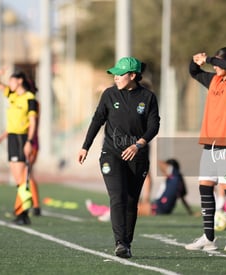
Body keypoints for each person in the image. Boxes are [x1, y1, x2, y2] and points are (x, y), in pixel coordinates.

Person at [77, 56, 160, 258]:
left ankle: (127, 243)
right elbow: (97, 120)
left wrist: (138, 144)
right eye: (114, 74)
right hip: (111, 154)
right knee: (118, 196)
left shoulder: (148, 97)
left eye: (120, 74)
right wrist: (85, 146)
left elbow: (154, 126)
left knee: (132, 201)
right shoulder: (109, 95)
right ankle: (120, 242)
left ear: (132, 75)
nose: (115, 77)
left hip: (137, 156)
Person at [184, 47, 226, 251]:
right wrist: (195, 61)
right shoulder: (214, 80)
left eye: (220, 61)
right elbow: (193, 72)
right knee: (205, 188)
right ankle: (208, 237)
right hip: (210, 144)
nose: (215, 65)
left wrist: (211, 59)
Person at [0, 69, 38, 225]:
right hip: (11, 138)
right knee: (17, 178)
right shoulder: (12, 96)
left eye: (12, 81)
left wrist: (29, 141)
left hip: (21, 138)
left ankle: (23, 213)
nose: (9, 84)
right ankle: (21, 211)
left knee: (20, 178)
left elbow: (32, 122)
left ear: (19, 81)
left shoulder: (29, 98)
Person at [86, 158, 192, 221]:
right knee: (127, 206)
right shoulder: (178, 180)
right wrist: (190, 212)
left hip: (158, 207)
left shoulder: (175, 175)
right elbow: (182, 197)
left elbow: (161, 163)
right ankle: (101, 211)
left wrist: (146, 159)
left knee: (127, 207)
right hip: (160, 206)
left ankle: (103, 213)